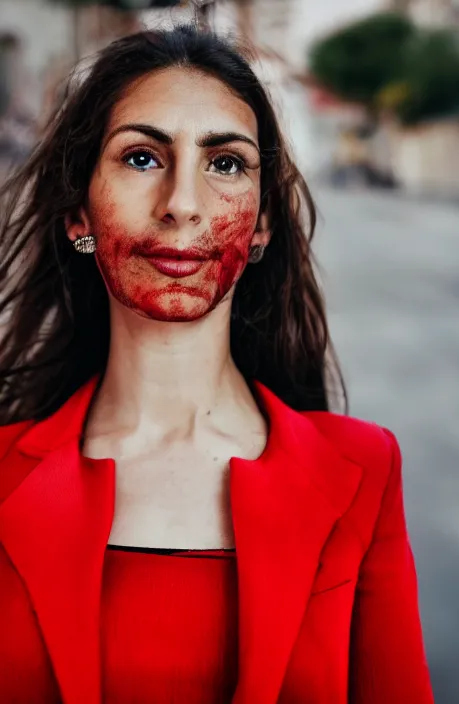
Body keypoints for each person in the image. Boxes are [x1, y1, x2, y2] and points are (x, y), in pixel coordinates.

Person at [0, 25, 434, 704]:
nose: (182, 204)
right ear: (78, 213)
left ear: (261, 224)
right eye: (142, 158)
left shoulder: (363, 475)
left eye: (225, 163)